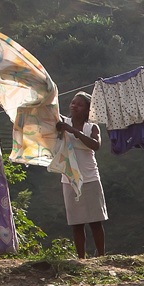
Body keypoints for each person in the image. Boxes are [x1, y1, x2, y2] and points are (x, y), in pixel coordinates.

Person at [56, 92, 107, 258]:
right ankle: (81, 258)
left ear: (87, 110)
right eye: (72, 103)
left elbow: (95, 145)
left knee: (95, 222)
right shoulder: (62, 122)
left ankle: (101, 256)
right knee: (76, 224)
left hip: (90, 178)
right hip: (69, 179)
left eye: (79, 105)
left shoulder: (91, 127)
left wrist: (72, 131)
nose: (74, 106)